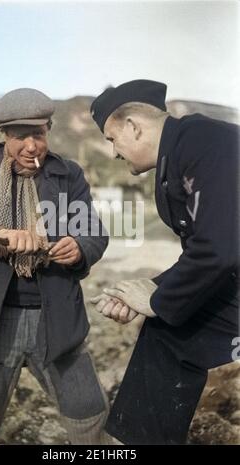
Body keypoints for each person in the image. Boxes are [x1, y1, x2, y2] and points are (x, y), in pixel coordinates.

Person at [0, 87, 112, 445]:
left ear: (48, 130)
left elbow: (94, 231)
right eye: (20, 137)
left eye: (38, 134)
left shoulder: (68, 175)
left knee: (90, 415)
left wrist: (79, 247)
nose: (31, 146)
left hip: (57, 321)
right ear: (3, 136)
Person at [90, 79, 239, 445]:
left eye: (112, 139)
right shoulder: (181, 150)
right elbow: (204, 251)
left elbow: (220, 248)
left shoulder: (209, 142)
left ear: (133, 127)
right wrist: (147, 291)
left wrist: (156, 300)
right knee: (168, 334)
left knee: (170, 325)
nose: (114, 153)